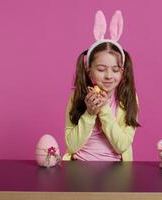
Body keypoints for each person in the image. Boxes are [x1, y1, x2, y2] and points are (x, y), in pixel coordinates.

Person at [62, 10, 140, 161]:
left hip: (117, 167)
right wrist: (90, 113)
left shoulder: (129, 97)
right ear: (89, 71)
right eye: (101, 69)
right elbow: (71, 145)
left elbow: (122, 146)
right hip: (79, 164)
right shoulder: (76, 96)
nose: (109, 76)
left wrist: (103, 109)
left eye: (115, 70)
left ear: (122, 72)